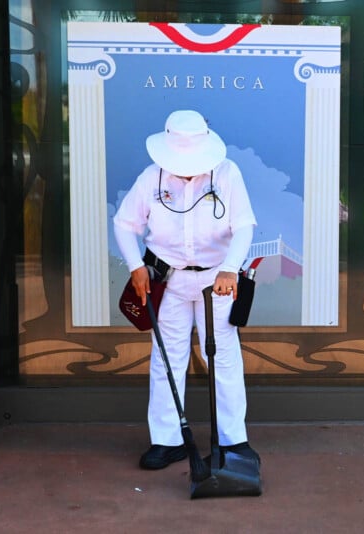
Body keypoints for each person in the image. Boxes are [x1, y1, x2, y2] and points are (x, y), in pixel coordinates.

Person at [113, 109, 259, 470]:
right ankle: (167, 440)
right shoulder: (152, 178)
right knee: (166, 357)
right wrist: (135, 267)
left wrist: (229, 269)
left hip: (217, 281)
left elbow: (244, 226)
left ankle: (232, 440)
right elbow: (123, 222)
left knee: (222, 356)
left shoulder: (227, 173)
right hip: (170, 279)